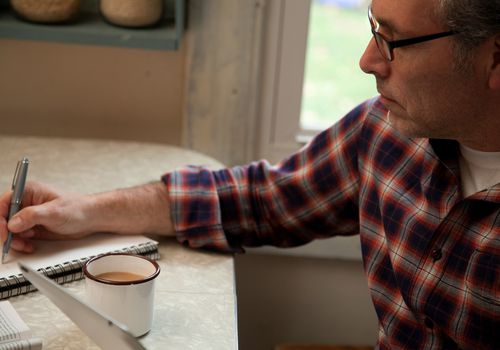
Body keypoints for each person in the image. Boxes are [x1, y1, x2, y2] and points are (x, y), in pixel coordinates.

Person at [1, 0, 499, 348]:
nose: (367, 61)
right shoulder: (385, 132)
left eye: (392, 42)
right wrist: (81, 211)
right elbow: (259, 199)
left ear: (494, 57)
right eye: (373, 28)